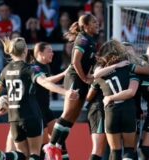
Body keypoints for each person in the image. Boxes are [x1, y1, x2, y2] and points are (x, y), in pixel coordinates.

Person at [0, 37, 78, 160]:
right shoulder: (30, 69)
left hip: (13, 118)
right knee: (35, 153)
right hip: (31, 115)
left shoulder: (5, 70)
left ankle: (5, 156)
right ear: (25, 51)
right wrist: (65, 92)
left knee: (22, 154)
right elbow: (45, 83)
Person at [43, 13, 99, 159]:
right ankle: (51, 144)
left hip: (83, 80)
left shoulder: (92, 40)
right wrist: (85, 78)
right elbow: (75, 62)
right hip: (75, 78)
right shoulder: (82, 39)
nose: (97, 24)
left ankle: (59, 145)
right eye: (94, 22)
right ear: (85, 26)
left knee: (73, 117)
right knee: (67, 113)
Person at [95, 40, 139, 160]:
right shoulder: (129, 68)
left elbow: (95, 76)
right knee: (130, 150)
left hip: (111, 111)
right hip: (128, 109)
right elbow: (131, 92)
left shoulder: (101, 72)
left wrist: (109, 97)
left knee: (115, 151)